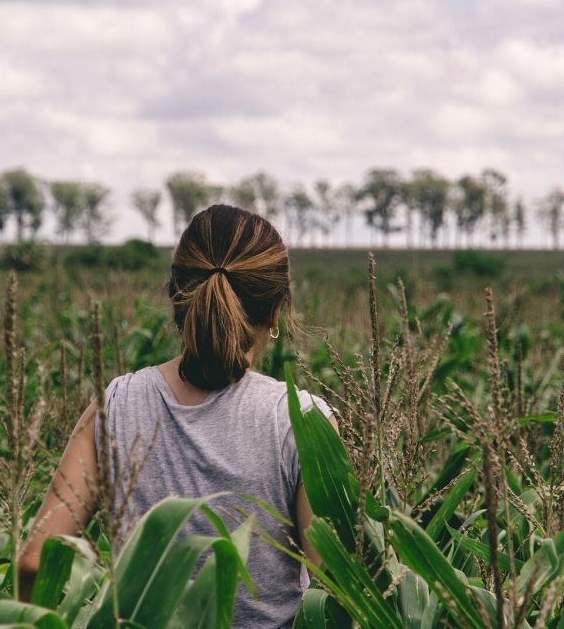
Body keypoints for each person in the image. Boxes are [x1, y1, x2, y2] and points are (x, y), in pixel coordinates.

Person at [17, 203, 335, 627]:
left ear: (175, 295)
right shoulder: (303, 423)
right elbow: (332, 594)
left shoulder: (115, 405)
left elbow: (34, 564)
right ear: (277, 310)